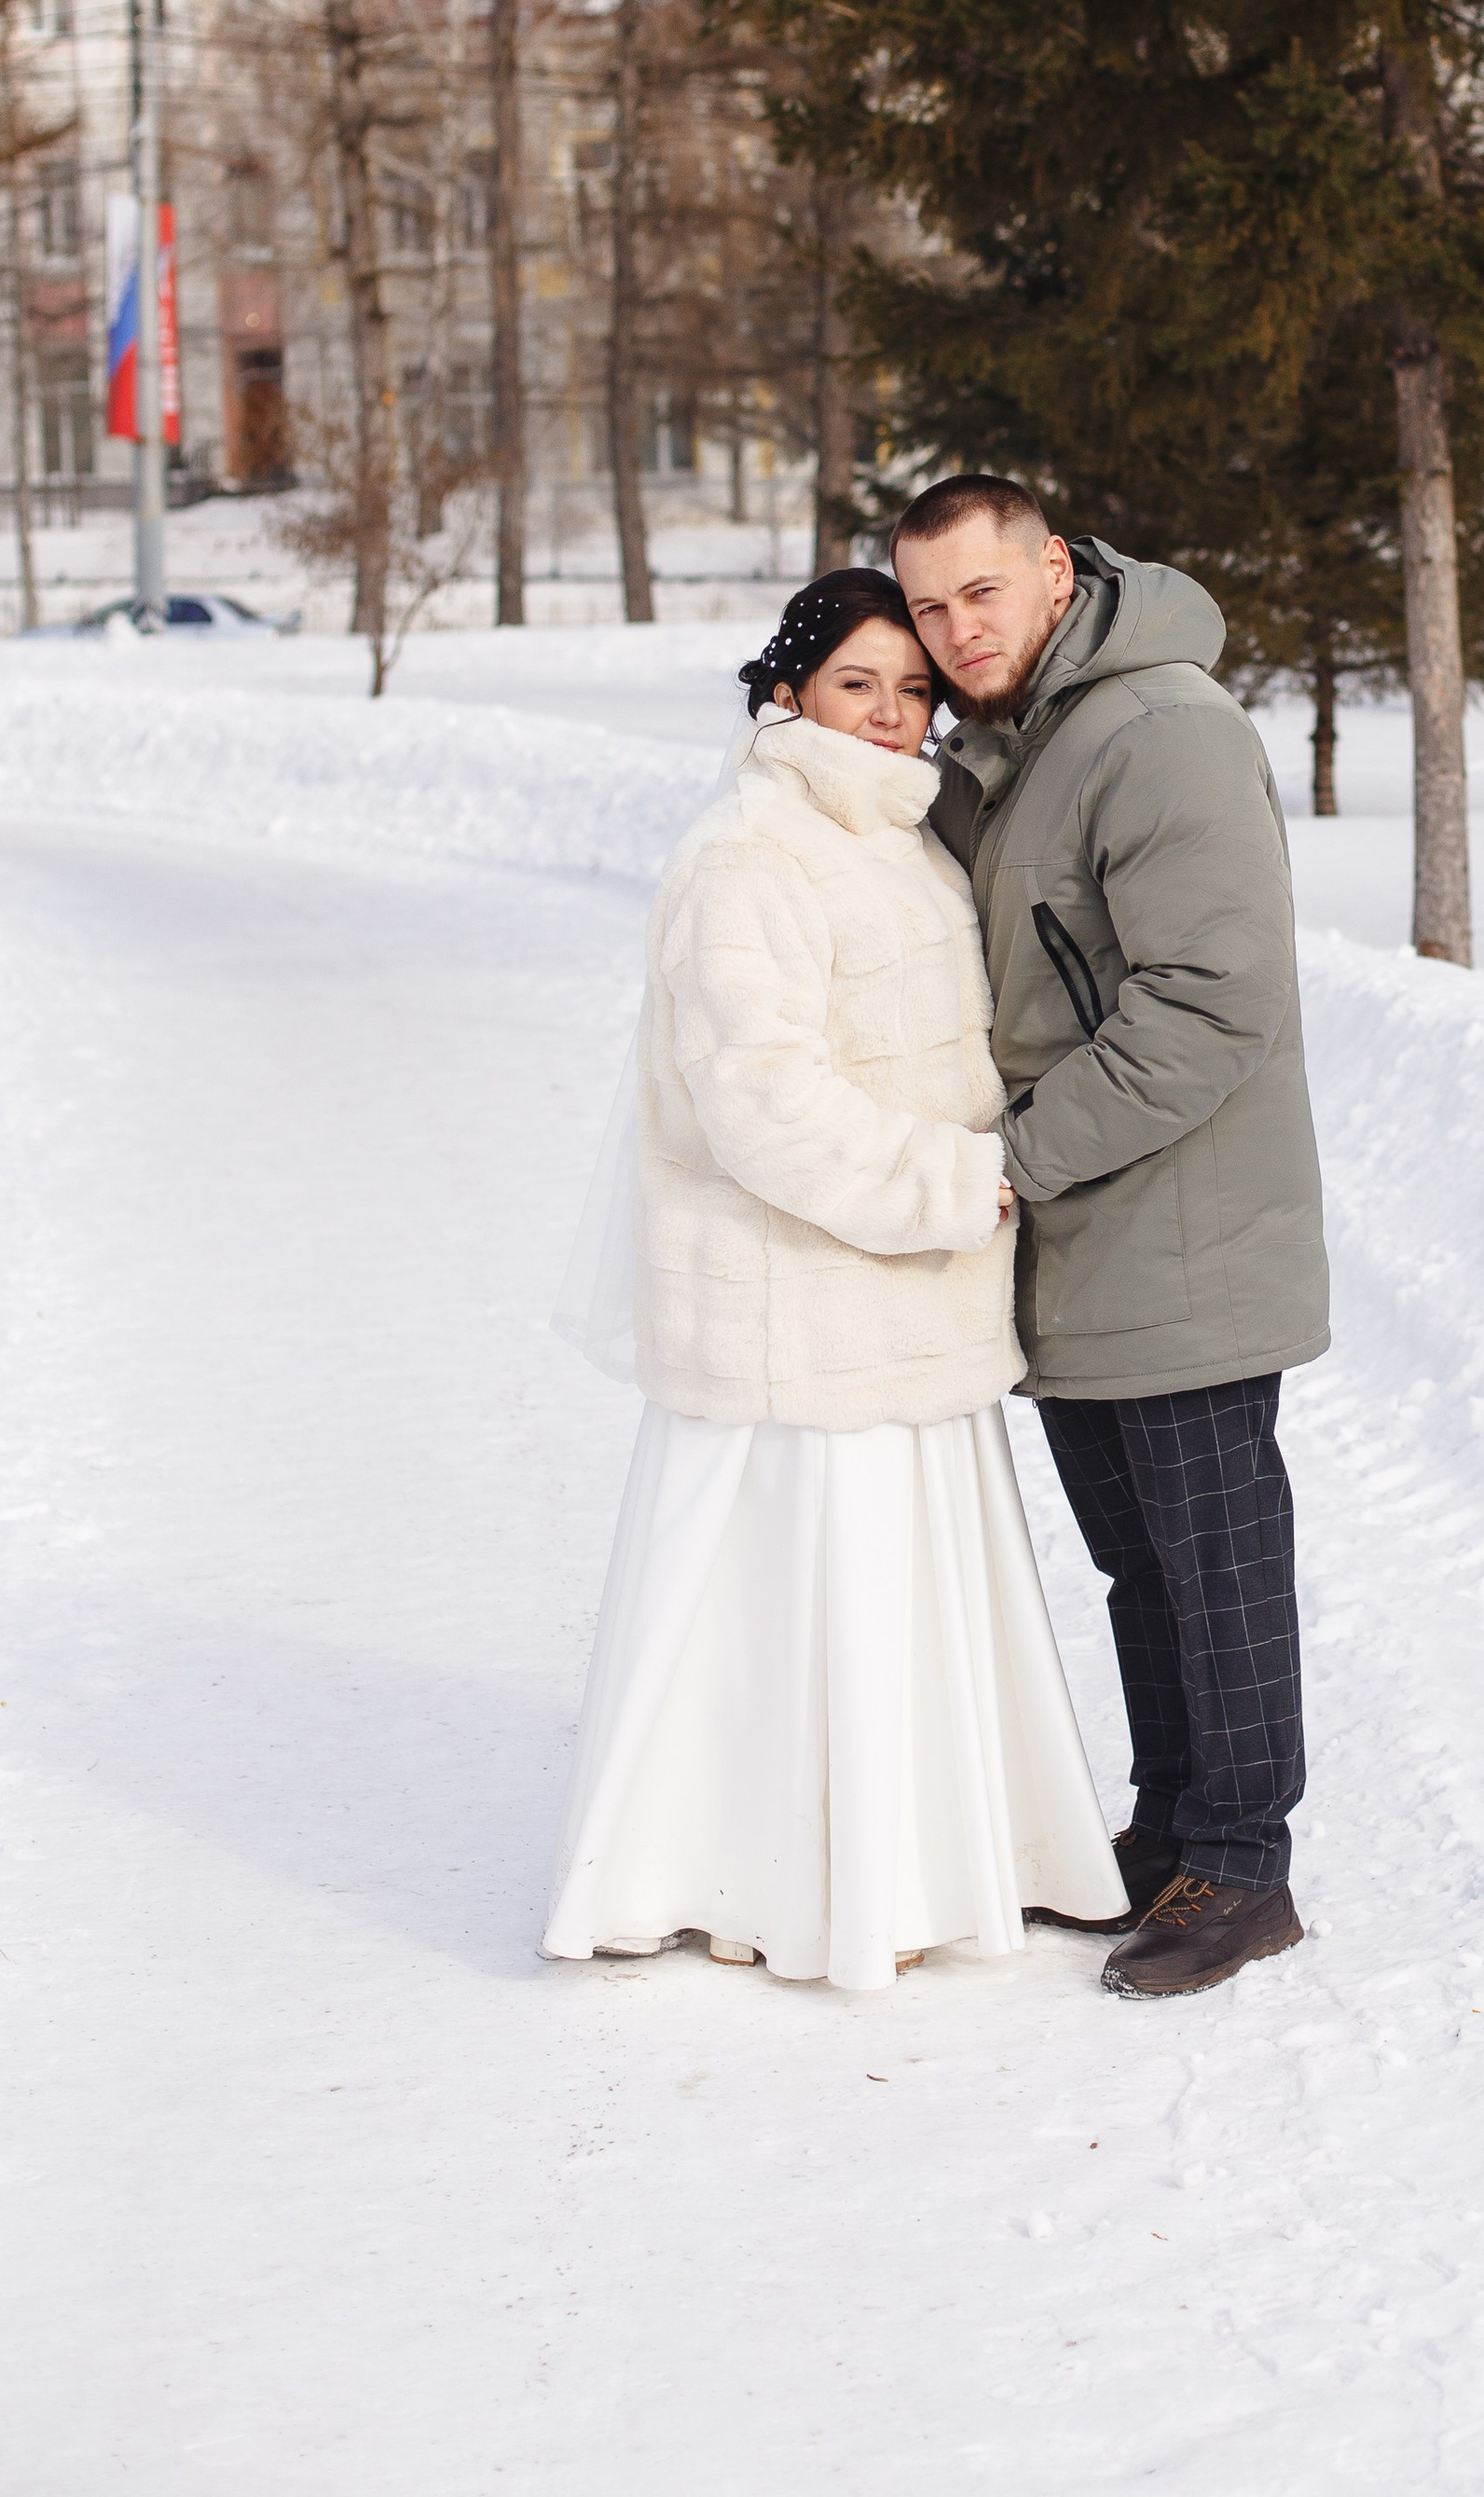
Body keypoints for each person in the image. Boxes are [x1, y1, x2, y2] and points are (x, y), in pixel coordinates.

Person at [542, 568, 1127, 1990]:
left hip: (897, 1303)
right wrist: (957, 1186)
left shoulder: (893, 833)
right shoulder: (753, 854)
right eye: (857, 683)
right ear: (790, 687)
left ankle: (920, 1859)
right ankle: (769, 1877)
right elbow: (762, 1105)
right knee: (797, 1610)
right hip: (798, 1311)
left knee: (898, 1603)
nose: (889, 713)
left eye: (913, 688)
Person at [890, 478, 1330, 2001]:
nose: (955, 635)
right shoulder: (1013, 751)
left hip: (1182, 1237)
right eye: (930, 609)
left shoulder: (1158, 732)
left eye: (980, 597)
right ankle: (1172, 1832)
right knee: (1140, 1567)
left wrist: (1011, 1162)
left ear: (1054, 571)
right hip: (1087, 1243)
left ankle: (1248, 1865)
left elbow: (1211, 1005)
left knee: (1215, 1560)